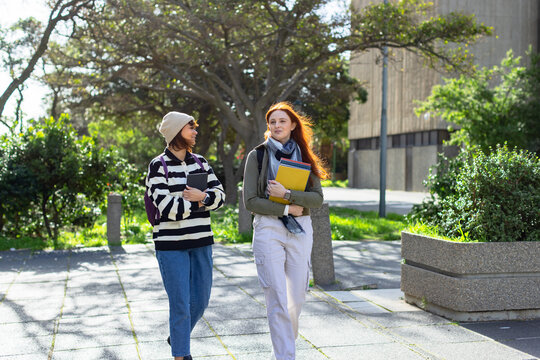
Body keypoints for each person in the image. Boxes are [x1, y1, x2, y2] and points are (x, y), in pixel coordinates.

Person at [242, 102, 328, 360]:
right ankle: (285, 356)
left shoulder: (304, 154)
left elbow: (317, 199)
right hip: (269, 228)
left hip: (301, 229)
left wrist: (287, 194)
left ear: (292, 125)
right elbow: (250, 201)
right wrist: (287, 209)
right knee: (277, 297)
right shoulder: (257, 156)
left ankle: (282, 348)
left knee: (296, 298)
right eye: (272, 122)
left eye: (282, 121)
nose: (276, 126)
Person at [145, 111, 225, 360]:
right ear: (177, 131)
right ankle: (181, 354)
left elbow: (221, 196)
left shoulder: (200, 162)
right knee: (180, 304)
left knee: (200, 302)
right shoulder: (158, 166)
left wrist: (202, 198)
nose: (195, 132)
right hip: (171, 246)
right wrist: (200, 203)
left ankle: (176, 337)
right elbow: (167, 209)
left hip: (201, 242)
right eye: (191, 128)